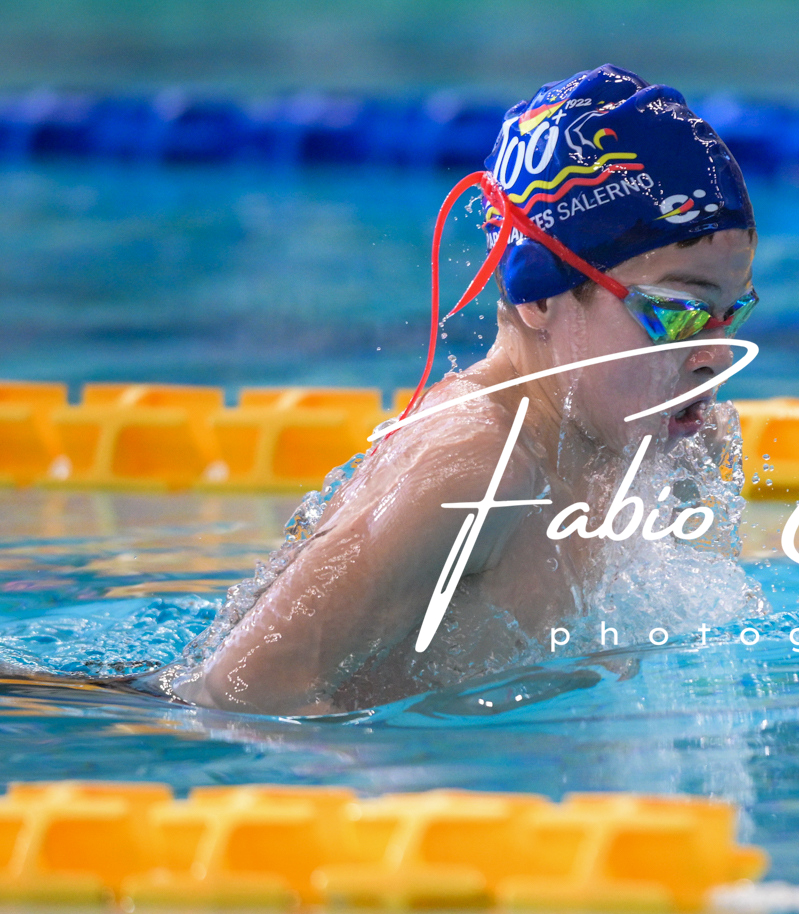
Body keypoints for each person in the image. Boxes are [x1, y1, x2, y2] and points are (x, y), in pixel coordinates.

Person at [177, 66, 759, 715]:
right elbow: (233, 693)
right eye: (676, 314)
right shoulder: (476, 468)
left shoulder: (661, 444)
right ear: (540, 297)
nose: (716, 356)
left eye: (732, 314)